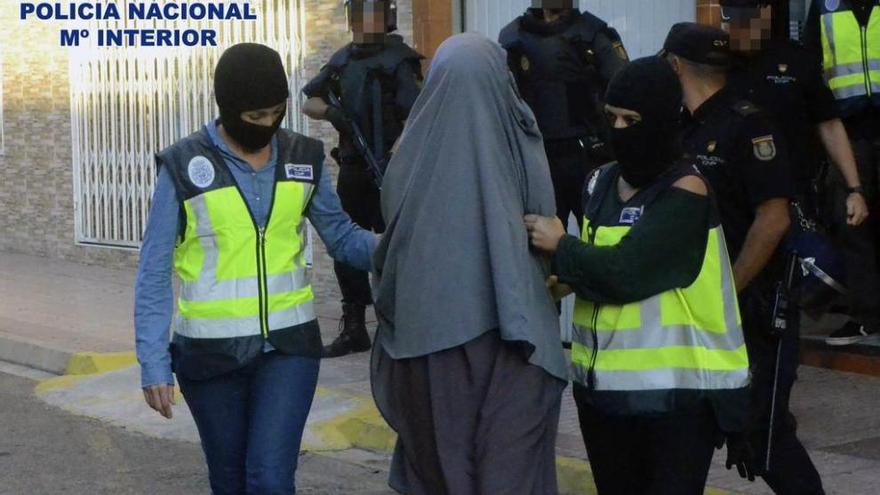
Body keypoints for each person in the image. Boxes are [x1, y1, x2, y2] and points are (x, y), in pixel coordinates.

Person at [134, 43, 377, 494]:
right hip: (209, 355)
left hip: (289, 349)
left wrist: (405, 249)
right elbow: (153, 270)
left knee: (269, 477)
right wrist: (153, 363)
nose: (268, 125)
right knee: (229, 481)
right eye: (255, 117)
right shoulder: (184, 166)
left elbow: (342, 238)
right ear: (228, 110)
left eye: (276, 113)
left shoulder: (303, 157)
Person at [525, 56, 751, 495]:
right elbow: (602, 264)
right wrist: (565, 280)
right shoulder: (601, 182)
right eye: (611, 117)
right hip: (602, 395)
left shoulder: (687, 190)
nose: (619, 129)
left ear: (665, 122)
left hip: (675, 402)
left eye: (632, 119)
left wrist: (562, 245)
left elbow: (627, 271)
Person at [370, 33, 568, 495]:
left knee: (444, 465)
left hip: (428, 342)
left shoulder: (410, 152)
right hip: (514, 336)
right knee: (510, 468)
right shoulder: (517, 134)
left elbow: (390, 247)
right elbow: (543, 218)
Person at [664, 23, 825, 494]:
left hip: (753, 307)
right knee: (687, 432)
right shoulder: (679, 126)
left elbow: (772, 220)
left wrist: (727, 291)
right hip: (693, 311)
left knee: (763, 435)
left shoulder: (749, 123)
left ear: (674, 65)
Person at [302, 0, 424, 358]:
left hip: (391, 170)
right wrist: (332, 114)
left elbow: (416, 116)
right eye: (359, 14)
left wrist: (395, 156)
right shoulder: (342, 60)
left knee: (397, 246)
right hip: (354, 169)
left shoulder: (401, 61)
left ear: (386, 17)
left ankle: (402, 324)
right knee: (345, 248)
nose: (365, 22)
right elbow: (310, 100)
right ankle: (354, 325)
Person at [499, 0, 628, 229]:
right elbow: (503, 100)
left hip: (589, 155)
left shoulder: (593, 34)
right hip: (537, 156)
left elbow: (625, 89)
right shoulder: (513, 39)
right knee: (539, 241)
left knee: (596, 232)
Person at [805, 0, 880, 346]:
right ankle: (866, 315)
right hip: (846, 131)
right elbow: (809, 62)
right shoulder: (824, 5)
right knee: (852, 225)